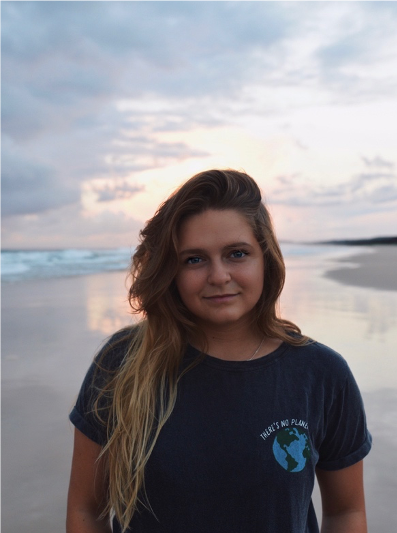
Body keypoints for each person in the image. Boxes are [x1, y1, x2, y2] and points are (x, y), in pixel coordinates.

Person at [67, 169, 371, 533]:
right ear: (171, 271)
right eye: (194, 259)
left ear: (266, 259)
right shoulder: (122, 363)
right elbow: (87, 510)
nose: (218, 275)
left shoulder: (321, 373)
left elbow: (346, 512)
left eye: (237, 254)